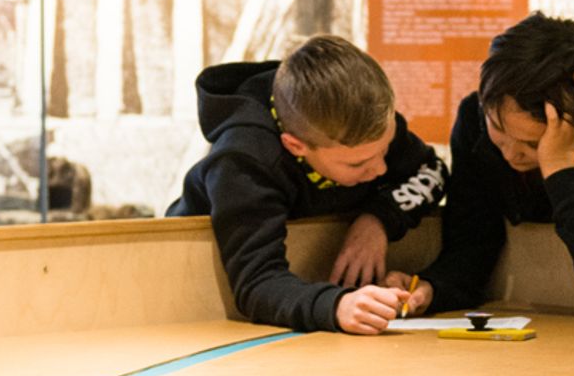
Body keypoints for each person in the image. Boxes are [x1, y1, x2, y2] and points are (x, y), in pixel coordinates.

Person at [387, 13, 574, 323]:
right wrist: (433, 288)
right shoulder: (474, 118)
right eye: (498, 128)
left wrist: (561, 168)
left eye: (534, 145)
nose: (511, 154)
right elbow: (473, 239)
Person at [167, 35, 446, 334]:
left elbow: (433, 171)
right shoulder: (243, 161)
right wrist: (336, 307)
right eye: (357, 164)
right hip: (192, 307)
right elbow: (257, 283)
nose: (381, 169)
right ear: (295, 146)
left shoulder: (366, 128)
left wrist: (379, 219)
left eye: (386, 148)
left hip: (299, 298)